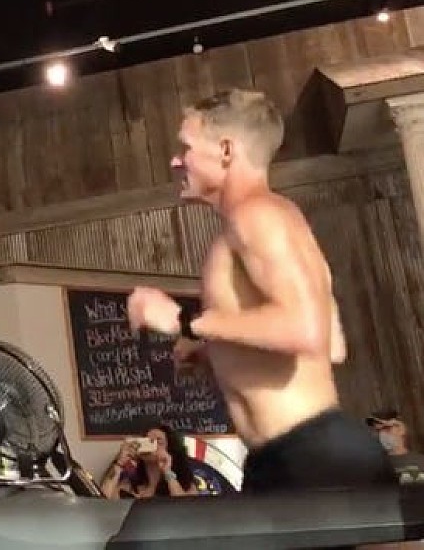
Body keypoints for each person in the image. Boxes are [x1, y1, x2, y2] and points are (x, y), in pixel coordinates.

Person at [126, 88, 395, 494]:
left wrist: (184, 321)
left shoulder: (257, 215)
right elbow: (332, 345)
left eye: (186, 147)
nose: (175, 161)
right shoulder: (268, 219)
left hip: (314, 458)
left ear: (226, 150)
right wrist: (214, 351)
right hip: (291, 456)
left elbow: (306, 330)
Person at [100, 425, 197, 499]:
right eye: (147, 441)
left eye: (158, 441)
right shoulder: (130, 484)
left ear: (170, 449)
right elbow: (103, 502)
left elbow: (184, 509)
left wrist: (167, 471)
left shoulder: (186, 483)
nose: (151, 446)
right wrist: (119, 463)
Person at [367, 409, 424, 485]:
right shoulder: (372, 466)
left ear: (401, 429)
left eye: (386, 428)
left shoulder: (421, 461)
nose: (382, 434)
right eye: (378, 431)